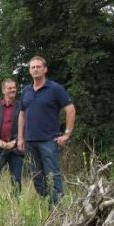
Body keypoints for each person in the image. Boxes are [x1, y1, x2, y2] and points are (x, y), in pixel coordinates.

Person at [17, 56, 76, 205]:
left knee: (53, 175)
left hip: (49, 140)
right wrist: (20, 138)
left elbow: (70, 110)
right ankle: (47, 204)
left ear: (45, 69)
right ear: (30, 71)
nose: (35, 69)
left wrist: (67, 134)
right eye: (33, 67)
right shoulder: (26, 90)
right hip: (30, 141)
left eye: (38, 66)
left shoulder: (55, 89)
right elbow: (22, 115)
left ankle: (58, 210)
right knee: (36, 176)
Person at [0, 78, 24, 194]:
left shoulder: (21, 106)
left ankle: (16, 206)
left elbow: (26, 126)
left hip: (16, 149)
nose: (13, 90)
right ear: (4, 90)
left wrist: (15, 141)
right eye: (10, 88)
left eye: (14, 87)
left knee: (16, 180)